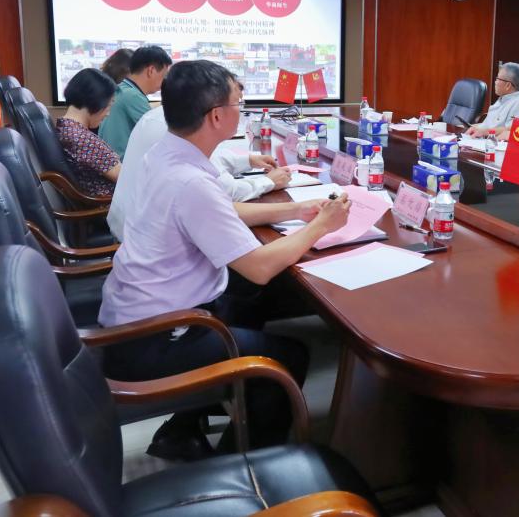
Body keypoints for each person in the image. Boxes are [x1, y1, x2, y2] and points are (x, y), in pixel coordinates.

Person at [99, 60, 351, 460]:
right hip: (155, 338)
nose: (242, 110)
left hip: (139, 317)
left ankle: (181, 430)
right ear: (217, 116)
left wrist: (297, 210)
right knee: (285, 358)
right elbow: (260, 267)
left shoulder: (167, 153)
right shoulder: (190, 181)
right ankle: (239, 469)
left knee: (248, 299)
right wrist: (322, 226)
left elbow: (220, 210)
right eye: (239, 103)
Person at [107, 105, 291, 241]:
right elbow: (225, 193)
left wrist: (248, 160)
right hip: (145, 240)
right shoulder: (182, 132)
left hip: (130, 224)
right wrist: (268, 182)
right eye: (236, 102)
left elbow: (213, 158)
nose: (240, 109)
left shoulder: (166, 117)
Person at [56, 68, 120, 197]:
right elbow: (125, 177)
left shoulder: (65, 128)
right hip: (108, 205)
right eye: (108, 106)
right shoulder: (82, 140)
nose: (108, 113)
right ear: (96, 101)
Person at [99, 45, 172, 159]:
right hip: (122, 165)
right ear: (151, 71)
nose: (164, 81)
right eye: (163, 75)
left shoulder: (124, 89)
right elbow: (164, 135)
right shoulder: (132, 96)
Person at [465, 62, 519, 136]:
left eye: (498, 78)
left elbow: (511, 131)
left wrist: (485, 132)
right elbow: (488, 125)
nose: (495, 82)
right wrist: (474, 127)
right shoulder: (504, 98)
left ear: (508, 85)